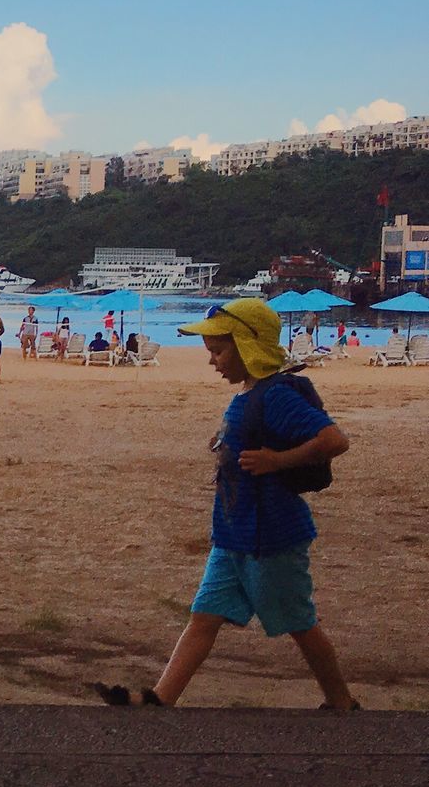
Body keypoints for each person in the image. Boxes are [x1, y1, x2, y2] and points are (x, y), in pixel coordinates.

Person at [93, 298, 357, 711]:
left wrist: (277, 461)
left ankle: (341, 700)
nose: (213, 362)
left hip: (271, 535)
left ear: (248, 346)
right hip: (234, 533)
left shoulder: (277, 396)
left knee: (300, 623)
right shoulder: (251, 394)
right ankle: (161, 698)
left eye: (219, 351)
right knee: (204, 616)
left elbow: (334, 441)